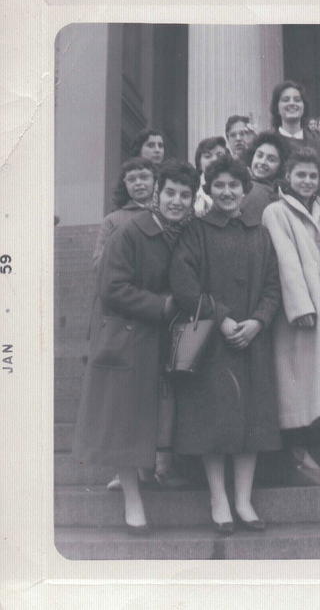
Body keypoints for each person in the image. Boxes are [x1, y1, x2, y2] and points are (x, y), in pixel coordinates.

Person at [73, 160, 198, 533]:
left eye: (185, 195)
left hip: (165, 337)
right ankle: (132, 499)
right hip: (129, 336)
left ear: (193, 200)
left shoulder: (186, 233)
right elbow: (111, 288)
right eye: (171, 193)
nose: (177, 201)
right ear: (157, 193)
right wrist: (161, 305)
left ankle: (155, 470)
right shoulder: (128, 232)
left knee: (156, 412)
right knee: (125, 420)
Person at [169, 156, 282, 534]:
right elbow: (183, 282)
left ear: (245, 190)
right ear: (209, 190)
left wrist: (258, 321)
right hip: (214, 343)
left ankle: (244, 501)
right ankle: (219, 498)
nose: (228, 192)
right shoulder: (195, 231)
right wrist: (223, 318)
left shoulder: (258, 232)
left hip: (252, 340)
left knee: (250, 421)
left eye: (235, 185)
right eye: (220, 185)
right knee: (215, 422)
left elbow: (272, 285)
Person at [262, 148, 320, 485]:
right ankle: (298, 457)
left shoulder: (319, 209)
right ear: (287, 177)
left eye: (312, 175)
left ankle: (303, 454)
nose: (306, 181)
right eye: (300, 174)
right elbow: (285, 260)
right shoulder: (276, 210)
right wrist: (300, 307)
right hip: (300, 309)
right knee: (297, 382)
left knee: (314, 381)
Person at [92, 157, 156, 270]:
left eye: (144, 177)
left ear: (155, 180)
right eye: (131, 179)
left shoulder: (166, 215)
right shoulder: (112, 220)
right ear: (124, 185)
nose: (138, 183)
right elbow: (98, 265)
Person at [270, 80, 320, 169]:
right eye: (285, 100)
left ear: (303, 107)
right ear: (276, 108)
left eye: (297, 100)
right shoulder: (269, 142)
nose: (292, 103)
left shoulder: (317, 144)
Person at [241, 131, 289, 216]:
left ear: (280, 166)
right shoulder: (242, 184)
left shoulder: (278, 193)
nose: (263, 162)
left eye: (271, 159)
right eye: (259, 156)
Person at [193, 136, 229, 218]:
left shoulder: (237, 188)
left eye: (219, 155)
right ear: (199, 164)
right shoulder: (192, 188)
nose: (214, 160)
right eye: (207, 156)